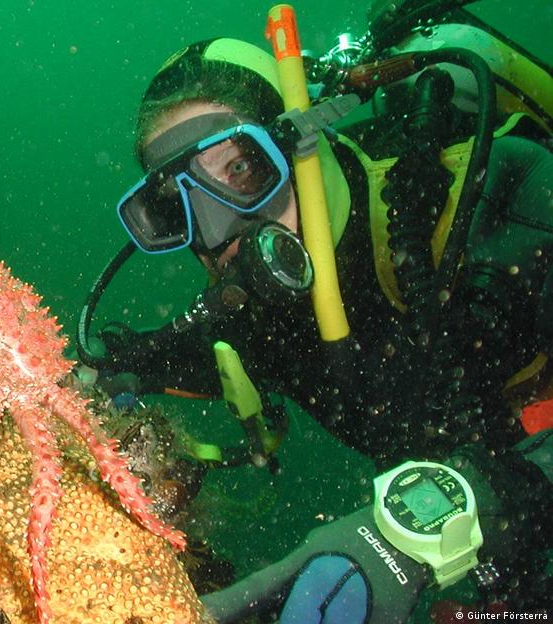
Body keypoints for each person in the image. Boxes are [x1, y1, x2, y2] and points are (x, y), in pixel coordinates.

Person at [85, 34, 553, 623]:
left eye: (240, 168)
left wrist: (422, 532)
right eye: (178, 208)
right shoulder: (255, 325)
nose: (216, 233)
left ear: (303, 139)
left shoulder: (500, 194)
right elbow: (164, 359)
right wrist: (83, 373)